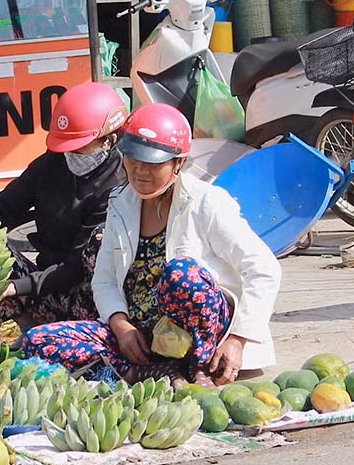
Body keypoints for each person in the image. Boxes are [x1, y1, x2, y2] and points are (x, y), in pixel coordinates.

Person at [23, 103, 281, 386]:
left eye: (153, 163)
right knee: (38, 341)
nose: (140, 171)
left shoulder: (207, 202)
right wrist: (121, 327)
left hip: (198, 334)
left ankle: (200, 367)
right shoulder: (120, 203)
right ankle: (145, 373)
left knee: (182, 275)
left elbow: (264, 269)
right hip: (144, 337)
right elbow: (105, 280)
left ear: (178, 162)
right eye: (133, 159)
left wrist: (238, 339)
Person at [0, 82, 128, 331]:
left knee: (98, 243)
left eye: (78, 147)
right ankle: (22, 329)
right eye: (66, 147)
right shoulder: (52, 165)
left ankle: (65, 333)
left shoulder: (118, 187)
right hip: (44, 285)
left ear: (108, 141)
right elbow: (3, 206)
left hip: (88, 295)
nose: (70, 154)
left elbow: (75, 268)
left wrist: (15, 288)